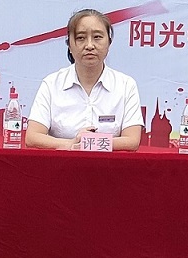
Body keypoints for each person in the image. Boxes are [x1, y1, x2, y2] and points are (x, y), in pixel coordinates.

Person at [26, 8, 144, 151]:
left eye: (97, 37)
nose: (89, 46)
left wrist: (89, 143)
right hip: (62, 163)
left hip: (109, 164)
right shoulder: (51, 84)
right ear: (69, 45)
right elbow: (32, 137)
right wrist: (71, 144)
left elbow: (131, 141)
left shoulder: (125, 85)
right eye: (81, 38)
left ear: (109, 43)